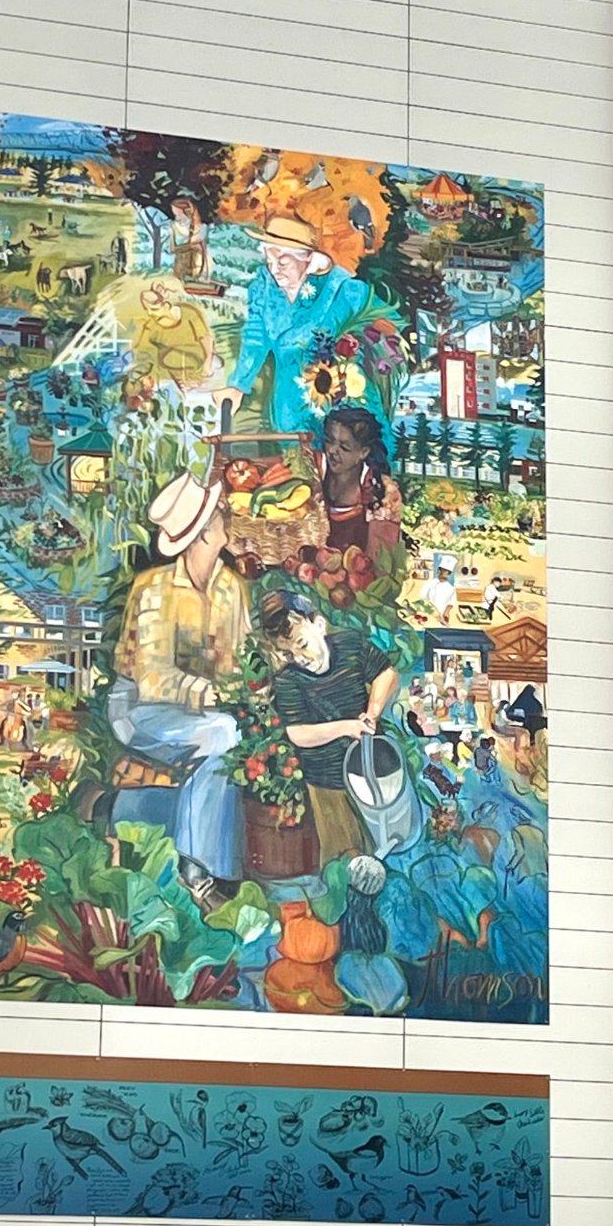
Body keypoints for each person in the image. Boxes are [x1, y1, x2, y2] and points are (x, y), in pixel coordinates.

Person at [107, 474, 252, 889]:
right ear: (203, 533)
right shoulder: (154, 589)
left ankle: (195, 862)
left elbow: (238, 662)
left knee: (228, 733)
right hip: (138, 708)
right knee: (222, 733)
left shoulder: (231, 588)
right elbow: (150, 676)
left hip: (201, 710)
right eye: (220, 513)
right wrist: (204, 691)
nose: (228, 516)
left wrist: (244, 687)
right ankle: (197, 868)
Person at [257, 588, 400, 864]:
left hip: (369, 768)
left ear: (319, 625)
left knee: (384, 846)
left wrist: (372, 711)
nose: (299, 658)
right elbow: (298, 733)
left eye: (302, 644)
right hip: (326, 783)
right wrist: (346, 727)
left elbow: (386, 673)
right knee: (344, 858)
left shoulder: (349, 645)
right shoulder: (288, 681)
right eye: (288, 654)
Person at [230, 214, 372, 435]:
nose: (275, 269)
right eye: (269, 262)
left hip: (334, 406)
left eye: (283, 262)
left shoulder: (342, 291)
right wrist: (238, 384)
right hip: (285, 405)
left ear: (308, 258)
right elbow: (255, 337)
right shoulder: (264, 287)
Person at [315, 404, 402, 569]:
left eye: (344, 447)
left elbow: (381, 561)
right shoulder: (314, 467)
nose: (332, 451)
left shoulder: (382, 495)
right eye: (329, 441)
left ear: (363, 452)